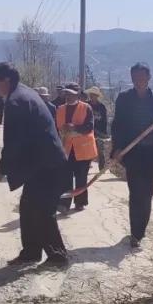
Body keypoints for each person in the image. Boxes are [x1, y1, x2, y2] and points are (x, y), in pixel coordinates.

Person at [0, 62, 69, 268]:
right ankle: (31, 252)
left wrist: (1, 168)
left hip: (48, 165)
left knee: (42, 210)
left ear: (6, 80)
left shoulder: (17, 102)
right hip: (40, 164)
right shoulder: (23, 93)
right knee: (27, 207)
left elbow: (14, 143)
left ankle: (58, 255)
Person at [110, 63, 153, 247]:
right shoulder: (124, 99)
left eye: (142, 77)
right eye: (135, 77)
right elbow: (117, 125)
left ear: (149, 77)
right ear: (131, 78)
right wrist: (117, 148)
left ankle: (141, 230)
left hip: (151, 154)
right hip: (132, 153)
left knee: (146, 193)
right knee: (135, 192)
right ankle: (135, 233)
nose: (138, 81)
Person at [55, 82, 98, 213]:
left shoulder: (86, 108)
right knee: (65, 177)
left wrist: (74, 128)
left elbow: (89, 127)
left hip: (83, 149)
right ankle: (64, 203)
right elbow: (58, 128)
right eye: (67, 93)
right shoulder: (60, 109)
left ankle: (80, 202)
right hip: (67, 148)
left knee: (81, 177)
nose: (69, 96)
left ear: (78, 94)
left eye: (72, 94)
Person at [85, 86, 111, 171]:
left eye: (95, 95)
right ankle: (86, 167)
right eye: (91, 94)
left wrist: (103, 133)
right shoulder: (86, 105)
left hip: (99, 132)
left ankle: (101, 169)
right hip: (88, 131)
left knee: (100, 151)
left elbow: (104, 120)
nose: (93, 96)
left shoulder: (102, 107)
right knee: (88, 150)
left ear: (97, 96)